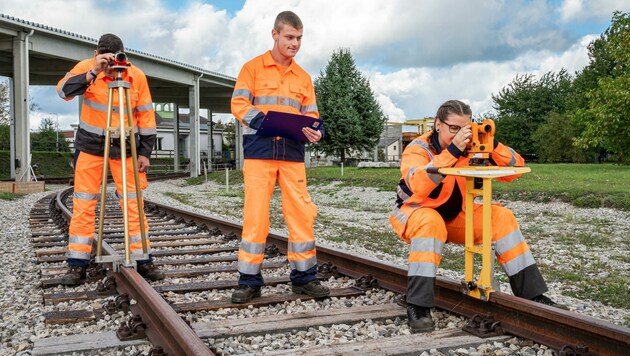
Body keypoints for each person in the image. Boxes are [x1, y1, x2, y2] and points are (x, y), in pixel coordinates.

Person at [390, 100, 562, 333]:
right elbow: (419, 185)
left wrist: (491, 142)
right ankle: (417, 306)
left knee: (502, 217)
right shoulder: (418, 149)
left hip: (454, 218)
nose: (461, 134)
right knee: (431, 223)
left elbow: (515, 166)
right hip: (415, 214)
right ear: (438, 125)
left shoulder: (471, 147)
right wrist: (452, 152)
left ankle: (533, 296)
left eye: (466, 128)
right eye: (454, 129)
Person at [230, 11, 329, 303]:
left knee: (301, 215)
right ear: (275, 34)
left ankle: (304, 277)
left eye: (299, 38)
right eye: (289, 37)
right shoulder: (252, 69)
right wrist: (265, 122)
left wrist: (316, 131)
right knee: (255, 217)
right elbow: (238, 104)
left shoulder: (304, 77)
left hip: (292, 155)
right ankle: (249, 280)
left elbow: (312, 116)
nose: (295, 43)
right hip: (260, 153)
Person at [56, 34, 164, 285]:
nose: (111, 63)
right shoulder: (88, 67)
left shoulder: (135, 75)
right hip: (90, 146)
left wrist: (145, 153)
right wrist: (94, 71)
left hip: (126, 149)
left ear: (123, 56)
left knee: (133, 203)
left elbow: (146, 117)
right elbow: (63, 91)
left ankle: (142, 259)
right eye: (104, 57)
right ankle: (77, 264)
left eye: (115, 58)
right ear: (96, 54)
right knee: (84, 204)